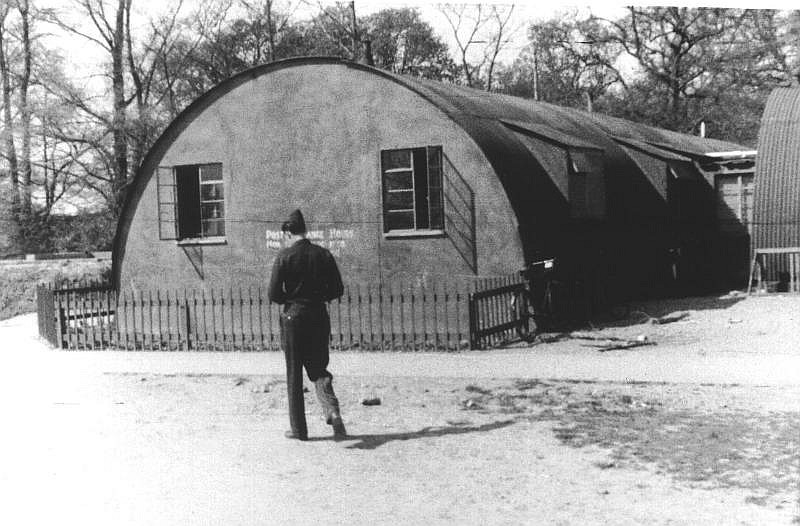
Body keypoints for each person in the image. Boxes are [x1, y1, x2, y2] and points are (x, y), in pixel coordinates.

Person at [268, 209, 347, 441]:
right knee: (319, 369)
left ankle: (299, 430)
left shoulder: (284, 257)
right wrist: (317, 298)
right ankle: (331, 409)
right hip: (318, 317)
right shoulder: (323, 254)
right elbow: (337, 289)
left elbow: (273, 293)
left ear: (289, 232)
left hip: (293, 319)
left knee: (294, 374)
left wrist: (291, 302)